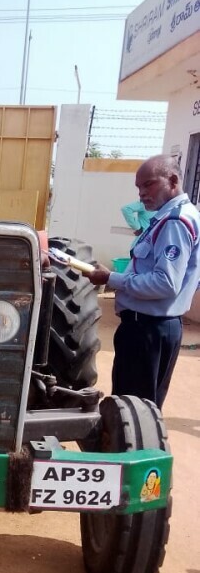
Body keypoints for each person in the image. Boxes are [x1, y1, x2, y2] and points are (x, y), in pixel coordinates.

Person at [82, 154, 200, 409]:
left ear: (172, 180)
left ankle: (130, 450)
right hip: (149, 328)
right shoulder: (167, 218)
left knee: (134, 411)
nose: (142, 194)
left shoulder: (175, 222)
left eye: (149, 184)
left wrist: (111, 278)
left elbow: (165, 283)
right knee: (138, 409)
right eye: (138, 187)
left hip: (148, 331)